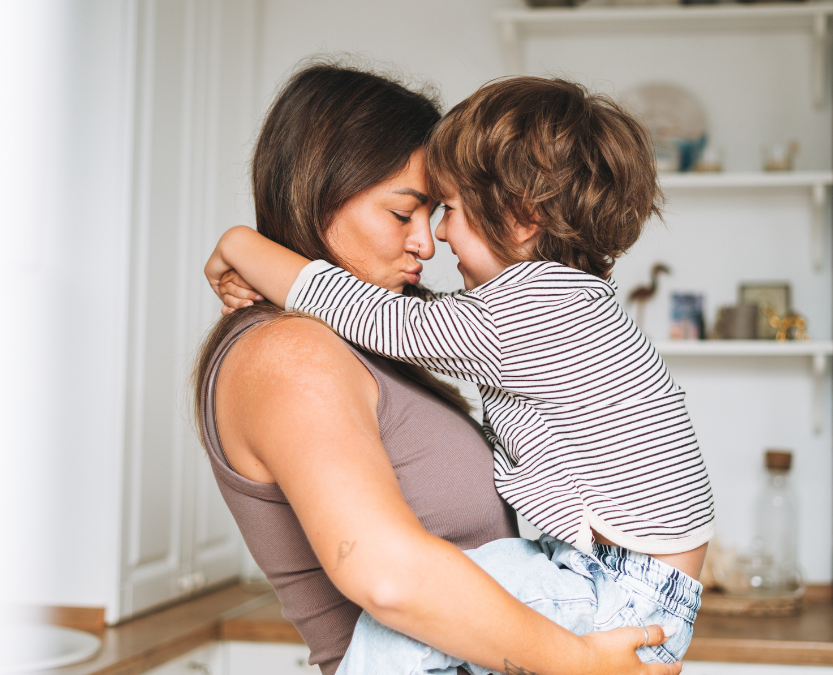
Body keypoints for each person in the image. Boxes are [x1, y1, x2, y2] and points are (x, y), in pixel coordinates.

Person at [205, 76, 714, 675]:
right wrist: (571, 659)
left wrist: (242, 245)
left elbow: (385, 320)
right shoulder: (291, 354)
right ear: (319, 195)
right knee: (390, 637)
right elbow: (392, 580)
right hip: (622, 587)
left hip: (615, 587)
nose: (434, 238)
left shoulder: (533, 311)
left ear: (523, 218)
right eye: (405, 212)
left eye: (447, 211)